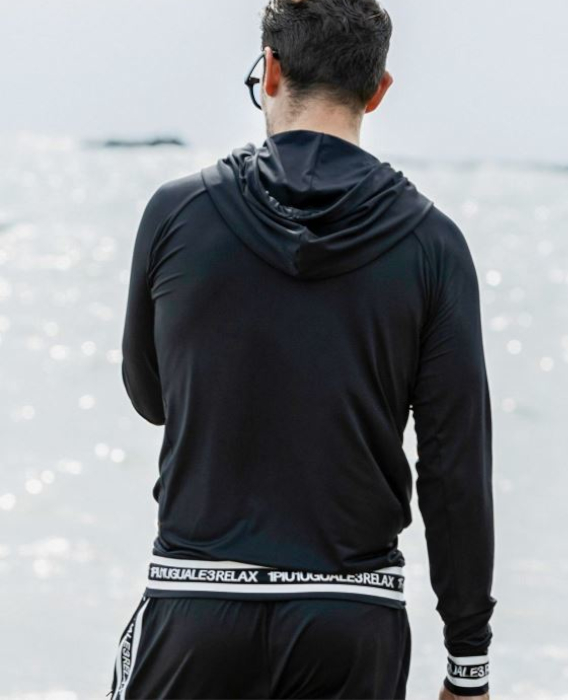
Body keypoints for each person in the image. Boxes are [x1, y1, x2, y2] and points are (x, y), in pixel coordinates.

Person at [107, 0, 497, 698]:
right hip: (352, 618)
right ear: (378, 90)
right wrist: (467, 663)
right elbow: (455, 468)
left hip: (197, 604)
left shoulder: (177, 213)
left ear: (271, 71)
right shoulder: (434, 245)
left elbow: (149, 396)